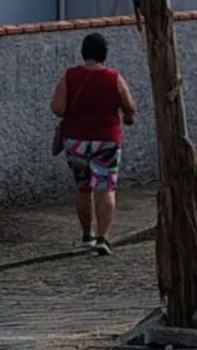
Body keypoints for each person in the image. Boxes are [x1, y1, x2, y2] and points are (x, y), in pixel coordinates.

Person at [51, 33, 136, 256]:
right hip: (106, 141)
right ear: (104, 54)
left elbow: (58, 108)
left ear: (84, 52)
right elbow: (129, 105)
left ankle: (87, 235)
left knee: (83, 187)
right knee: (105, 188)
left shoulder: (69, 76)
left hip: (76, 141)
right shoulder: (113, 77)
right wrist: (126, 114)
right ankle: (103, 237)